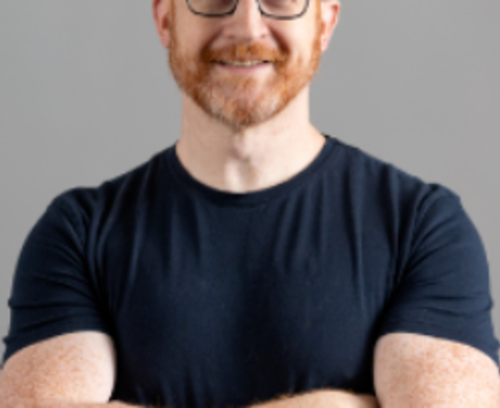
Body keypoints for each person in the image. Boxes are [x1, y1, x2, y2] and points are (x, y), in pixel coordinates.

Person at [1, 0, 500, 406]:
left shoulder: (422, 228)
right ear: (166, 19)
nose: (246, 26)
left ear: (325, 22)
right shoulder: (78, 234)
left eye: (280, 0)